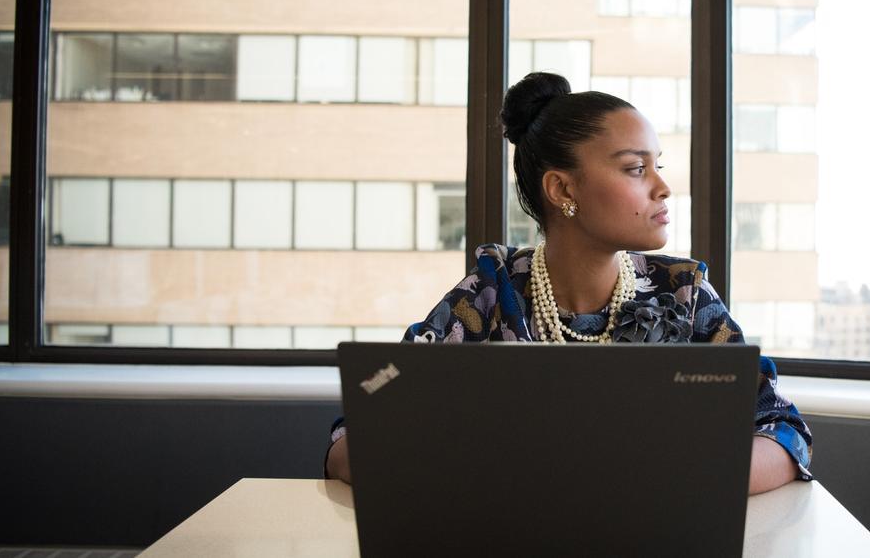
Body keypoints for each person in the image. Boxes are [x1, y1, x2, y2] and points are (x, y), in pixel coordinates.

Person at [325, 72, 813, 493]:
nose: (663, 187)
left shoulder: (684, 293)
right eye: (635, 168)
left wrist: (672, 480)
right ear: (562, 189)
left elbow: (784, 431)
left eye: (657, 166)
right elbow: (355, 433)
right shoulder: (492, 292)